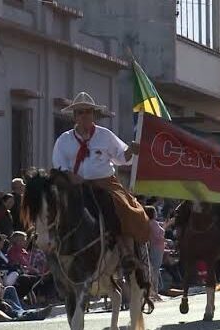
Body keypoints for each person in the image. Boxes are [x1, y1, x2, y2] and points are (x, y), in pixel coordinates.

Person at [51, 92, 149, 273]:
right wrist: (71, 177)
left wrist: (131, 151)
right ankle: (52, 249)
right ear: (75, 116)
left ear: (93, 114)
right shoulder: (64, 140)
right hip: (76, 186)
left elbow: (121, 157)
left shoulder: (105, 136)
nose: (85, 115)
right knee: (52, 210)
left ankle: (125, 249)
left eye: (88, 111)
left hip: (104, 183)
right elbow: (58, 165)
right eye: (80, 112)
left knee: (121, 207)